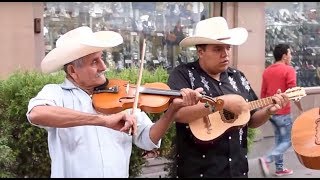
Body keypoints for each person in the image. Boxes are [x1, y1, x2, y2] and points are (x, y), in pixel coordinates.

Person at [26, 26, 203, 178]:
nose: (103, 66)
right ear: (73, 71)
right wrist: (103, 120)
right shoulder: (55, 93)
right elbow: (36, 114)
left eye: (102, 58)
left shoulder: (122, 95)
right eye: (94, 62)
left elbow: (148, 139)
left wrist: (171, 111)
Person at [167, 16, 290, 178]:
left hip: (237, 169)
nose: (225, 54)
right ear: (200, 51)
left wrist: (269, 110)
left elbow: (251, 119)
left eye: (227, 48)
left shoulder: (238, 78)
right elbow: (176, 114)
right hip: (198, 171)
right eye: (217, 49)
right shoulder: (183, 74)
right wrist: (221, 103)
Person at [259, 43, 303, 177]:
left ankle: (279, 168)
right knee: (288, 141)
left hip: (270, 112)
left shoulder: (267, 70)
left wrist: (265, 111)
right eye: (290, 53)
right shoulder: (288, 69)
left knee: (279, 139)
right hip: (282, 112)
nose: (291, 56)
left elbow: (263, 93)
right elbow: (293, 91)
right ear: (284, 56)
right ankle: (267, 159)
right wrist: (301, 108)